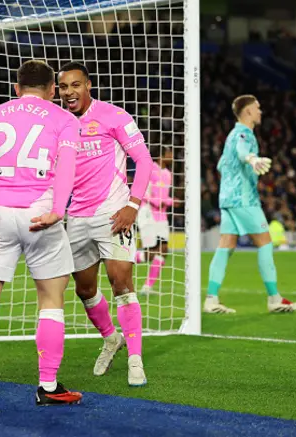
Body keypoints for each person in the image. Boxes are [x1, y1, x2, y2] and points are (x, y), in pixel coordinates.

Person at [0, 59, 82, 409]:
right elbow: (66, 168)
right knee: (51, 302)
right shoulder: (65, 119)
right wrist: (59, 209)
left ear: (16, 88)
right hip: (41, 215)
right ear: (53, 90)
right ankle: (48, 385)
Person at [57, 62, 153, 386]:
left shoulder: (114, 116)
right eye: (63, 87)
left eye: (75, 85)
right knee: (85, 289)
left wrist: (132, 205)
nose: (69, 92)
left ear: (88, 85)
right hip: (77, 216)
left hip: (114, 212)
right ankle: (111, 338)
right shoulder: (59, 124)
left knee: (121, 281)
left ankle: (135, 360)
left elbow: (144, 160)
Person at [204, 94, 296, 314]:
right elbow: (241, 152)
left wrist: (235, 175)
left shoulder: (230, 135)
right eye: (257, 108)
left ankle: (211, 299)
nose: (260, 111)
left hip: (228, 198)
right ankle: (274, 298)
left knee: (226, 246)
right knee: (265, 243)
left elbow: (222, 165)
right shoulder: (243, 133)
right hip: (243, 199)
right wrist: (252, 160)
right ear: (247, 111)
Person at [134, 146, 179, 294]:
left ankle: (147, 287)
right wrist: (154, 201)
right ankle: (125, 258)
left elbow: (163, 198)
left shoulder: (167, 174)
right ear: (162, 155)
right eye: (169, 153)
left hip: (161, 216)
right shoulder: (150, 169)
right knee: (151, 252)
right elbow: (139, 191)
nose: (172, 156)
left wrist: (172, 201)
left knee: (163, 250)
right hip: (147, 214)